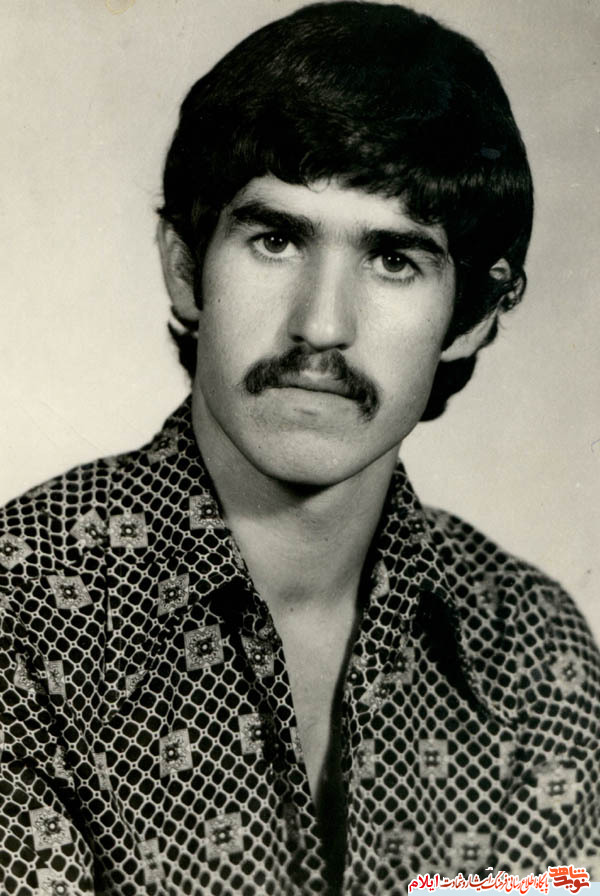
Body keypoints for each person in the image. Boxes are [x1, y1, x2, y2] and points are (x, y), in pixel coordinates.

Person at [0, 2, 598, 894]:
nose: (322, 324)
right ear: (185, 267)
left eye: (394, 259)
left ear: (472, 317)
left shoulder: (533, 651)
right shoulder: (19, 617)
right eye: (277, 240)